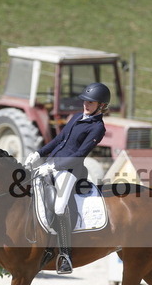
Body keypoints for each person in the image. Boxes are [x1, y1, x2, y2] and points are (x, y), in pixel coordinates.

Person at [24, 82, 110, 274]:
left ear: (101, 105)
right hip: (50, 163)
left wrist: (55, 166)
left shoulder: (98, 128)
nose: (86, 105)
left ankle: (65, 255)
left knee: (60, 207)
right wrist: (39, 154)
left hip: (70, 170)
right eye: (85, 101)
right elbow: (59, 140)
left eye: (91, 102)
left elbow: (80, 154)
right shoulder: (77, 116)